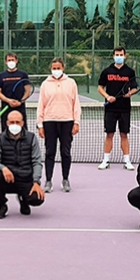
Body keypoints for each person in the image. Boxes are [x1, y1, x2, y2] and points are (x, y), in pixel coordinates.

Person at [36, 57, 80, 193]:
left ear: (63, 68)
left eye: (58, 68)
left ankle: (65, 180)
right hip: (49, 122)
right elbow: (41, 105)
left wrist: (76, 122)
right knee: (50, 152)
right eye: (54, 68)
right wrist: (40, 124)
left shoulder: (71, 83)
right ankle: (48, 181)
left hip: (67, 121)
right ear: (51, 69)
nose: (56, 70)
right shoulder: (45, 84)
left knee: (65, 153)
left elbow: (76, 104)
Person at [0, 110, 45, 218]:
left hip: (25, 177)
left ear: (22, 123)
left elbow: (37, 162)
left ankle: (23, 199)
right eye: (12, 122)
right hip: (8, 177)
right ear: (7, 123)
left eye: (17, 122)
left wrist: (36, 182)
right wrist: (3, 168)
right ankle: (2, 205)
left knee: (37, 199)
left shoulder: (31, 138)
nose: (14, 125)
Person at [97, 46, 137, 171]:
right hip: (110, 109)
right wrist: (107, 96)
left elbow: (134, 87)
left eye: (121, 54)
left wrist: (130, 93)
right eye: (117, 54)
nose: (119, 57)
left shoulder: (130, 72)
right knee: (109, 134)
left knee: (124, 134)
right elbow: (100, 87)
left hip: (124, 108)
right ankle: (105, 160)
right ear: (113, 56)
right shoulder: (107, 71)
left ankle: (127, 161)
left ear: (125, 56)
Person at [0, 52, 32, 130]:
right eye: (9, 60)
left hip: (20, 108)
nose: (11, 62)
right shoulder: (1, 76)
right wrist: (9, 101)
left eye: (12, 60)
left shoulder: (23, 75)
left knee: (23, 131)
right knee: (5, 131)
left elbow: (27, 91)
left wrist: (20, 102)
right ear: (5, 62)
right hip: (6, 108)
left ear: (16, 61)